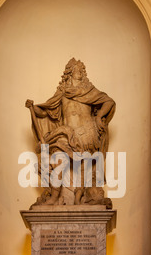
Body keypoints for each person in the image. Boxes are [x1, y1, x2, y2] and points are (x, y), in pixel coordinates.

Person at [25, 58, 115, 207]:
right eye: (76, 69)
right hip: (66, 135)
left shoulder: (89, 91)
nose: (80, 72)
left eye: (82, 70)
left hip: (87, 134)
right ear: (69, 73)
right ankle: (54, 197)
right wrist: (33, 108)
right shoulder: (62, 93)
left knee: (85, 167)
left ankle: (83, 196)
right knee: (58, 160)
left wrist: (99, 117)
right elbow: (46, 111)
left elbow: (109, 102)